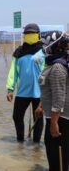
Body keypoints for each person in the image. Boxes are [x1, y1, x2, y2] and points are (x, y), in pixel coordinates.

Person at [6, 23, 44, 143]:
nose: (30, 35)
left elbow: (49, 70)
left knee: (38, 119)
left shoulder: (44, 51)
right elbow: (13, 72)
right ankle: (20, 141)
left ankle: (36, 145)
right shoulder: (19, 52)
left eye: (32, 33)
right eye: (27, 34)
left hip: (40, 92)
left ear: (38, 35)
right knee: (16, 117)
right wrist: (10, 89)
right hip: (22, 91)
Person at [38, 31, 69, 171]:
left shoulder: (57, 67)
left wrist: (54, 123)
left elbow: (59, 97)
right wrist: (41, 106)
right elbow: (49, 91)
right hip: (54, 117)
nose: (42, 47)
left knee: (58, 163)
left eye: (43, 44)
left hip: (60, 120)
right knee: (55, 159)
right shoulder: (53, 63)